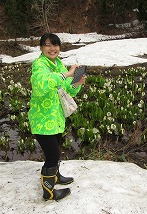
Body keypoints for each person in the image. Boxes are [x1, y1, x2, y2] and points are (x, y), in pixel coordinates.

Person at [28, 33, 86, 201]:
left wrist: (77, 82)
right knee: (52, 156)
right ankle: (49, 192)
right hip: (42, 120)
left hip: (57, 118)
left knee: (56, 151)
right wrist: (66, 75)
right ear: (41, 48)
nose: (52, 49)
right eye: (48, 45)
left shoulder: (59, 64)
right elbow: (41, 85)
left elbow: (68, 89)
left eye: (55, 45)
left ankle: (56, 176)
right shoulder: (39, 65)